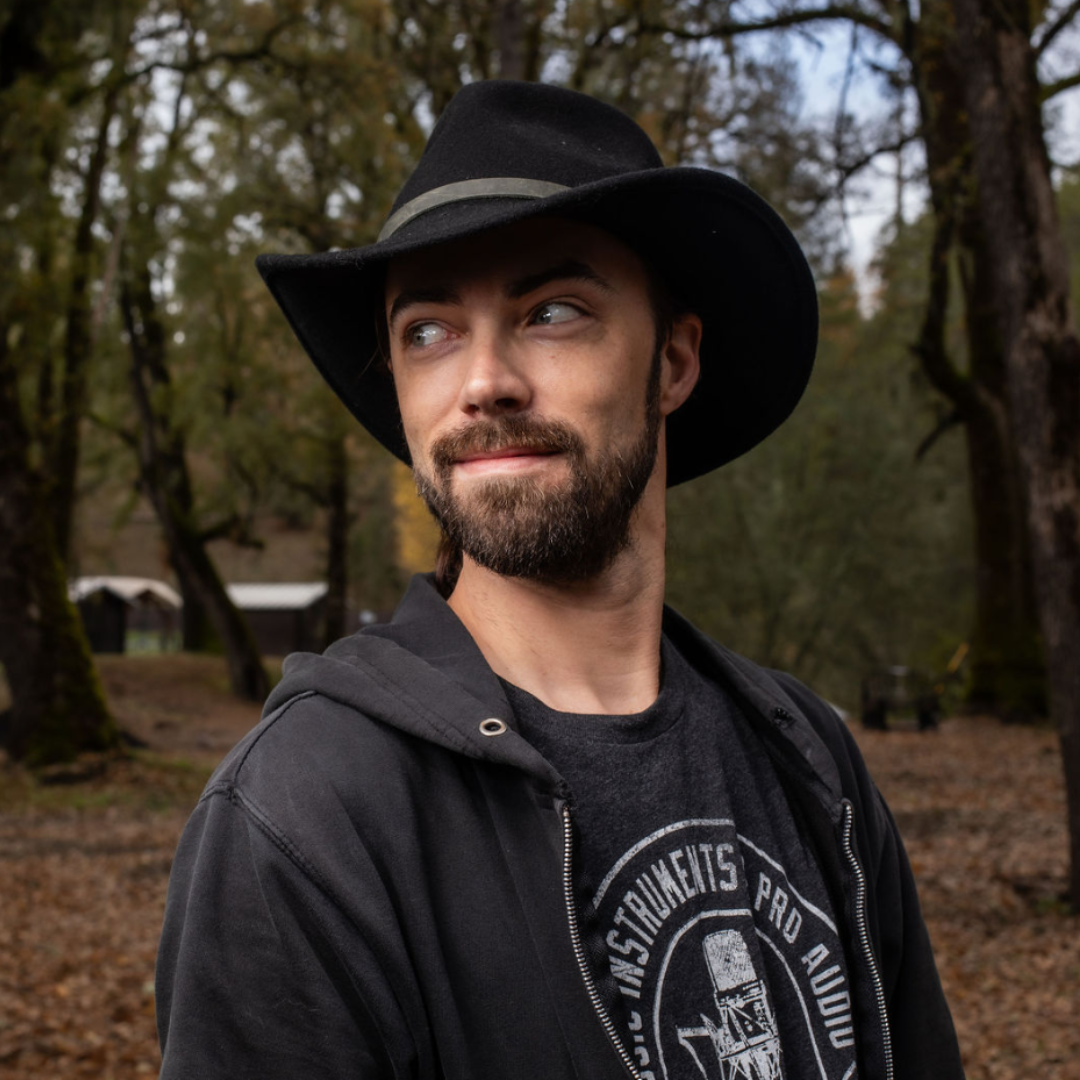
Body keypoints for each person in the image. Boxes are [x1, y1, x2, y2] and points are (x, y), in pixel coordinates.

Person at [155, 81, 964, 1080]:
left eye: (552, 311)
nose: (483, 378)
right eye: (428, 332)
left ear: (672, 361)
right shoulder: (304, 816)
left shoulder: (811, 759)